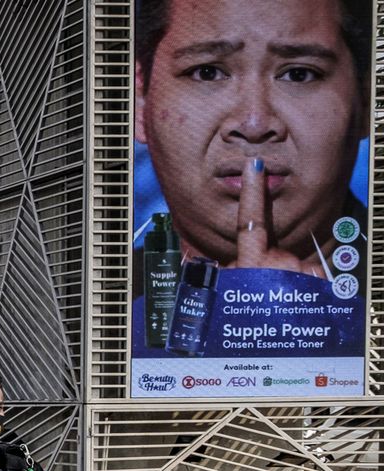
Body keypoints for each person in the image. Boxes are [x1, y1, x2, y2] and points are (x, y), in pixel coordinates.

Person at [134, 0, 368, 276]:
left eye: (299, 74)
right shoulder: (88, 297)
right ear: (140, 102)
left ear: (365, 103)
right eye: (207, 72)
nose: (254, 124)